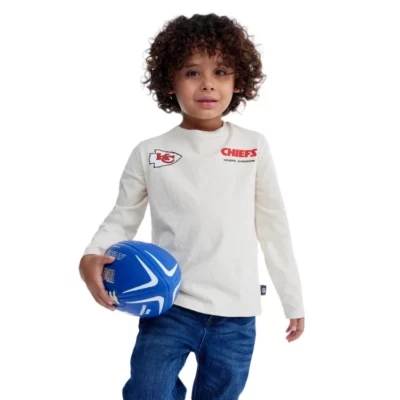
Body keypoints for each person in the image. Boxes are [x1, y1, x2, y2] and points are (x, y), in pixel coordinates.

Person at [79, 13, 305, 400]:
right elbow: (122, 216)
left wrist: (293, 299)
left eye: (220, 71)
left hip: (236, 313)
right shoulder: (150, 152)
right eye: (192, 72)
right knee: (147, 391)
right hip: (170, 307)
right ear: (170, 81)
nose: (208, 84)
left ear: (238, 81)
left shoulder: (253, 146)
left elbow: (274, 228)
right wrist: (92, 255)